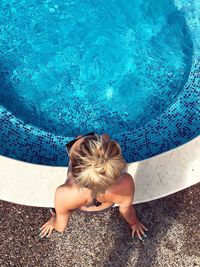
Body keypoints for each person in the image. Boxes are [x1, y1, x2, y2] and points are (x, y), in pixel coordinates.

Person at [38, 133, 148, 240]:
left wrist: (53, 221)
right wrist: (134, 223)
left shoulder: (64, 194)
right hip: (107, 203)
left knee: (100, 138)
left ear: (74, 167)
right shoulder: (126, 182)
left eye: (71, 147)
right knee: (105, 136)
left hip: (79, 203)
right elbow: (126, 210)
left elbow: (61, 227)